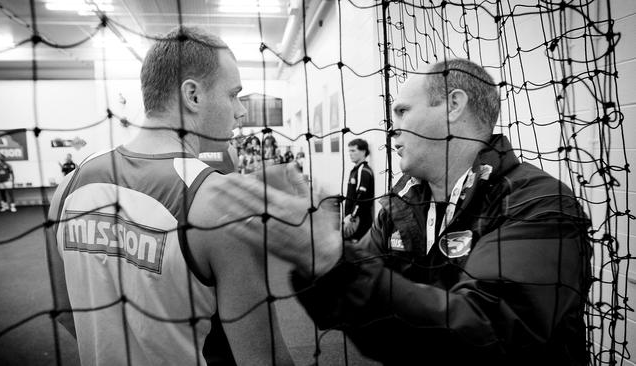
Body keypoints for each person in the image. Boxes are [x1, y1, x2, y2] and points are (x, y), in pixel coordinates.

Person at [209, 59, 591, 365]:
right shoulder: (402, 202)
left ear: (454, 106)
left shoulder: (538, 204)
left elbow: (485, 336)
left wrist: (333, 260)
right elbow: (367, 301)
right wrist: (322, 259)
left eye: (404, 110)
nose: (394, 128)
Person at [46, 26, 293, 366]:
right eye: (233, 94)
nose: (242, 111)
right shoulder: (218, 204)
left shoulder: (68, 187)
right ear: (193, 95)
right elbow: (265, 359)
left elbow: (64, 312)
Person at [343, 139, 374, 242]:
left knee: (357, 251)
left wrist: (352, 217)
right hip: (352, 218)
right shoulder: (355, 169)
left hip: (360, 220)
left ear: (363, 151)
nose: (350, 154)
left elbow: (361, 197)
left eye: (353, 151)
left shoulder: (363, 170)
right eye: (349, 151)